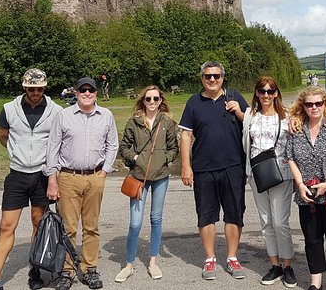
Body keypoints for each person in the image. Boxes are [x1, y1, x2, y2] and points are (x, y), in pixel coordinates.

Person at [0, 68, 63, 290]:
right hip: (18, 175)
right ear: (24, 87)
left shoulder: (56, 111)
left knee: (37, 224)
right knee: (6, 226)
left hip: (42, 176)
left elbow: (59, 142)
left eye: (40, 89)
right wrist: (20, 153)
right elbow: (3, 138)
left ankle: (36, 269)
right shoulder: (9, 109)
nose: (36, 93)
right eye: (32, 89)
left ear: (45, 88)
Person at [45, 77, 119, 290]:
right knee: (68, 227)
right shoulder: (64, 115)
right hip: (68, 177)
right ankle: (67, 270)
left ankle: (89, 268)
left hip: (95, 176)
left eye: (91, 90)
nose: (87, 93)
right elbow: (53, 147)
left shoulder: (106, 115)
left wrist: (105, 170)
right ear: (76, 93)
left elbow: (112, 145)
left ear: (96, 93)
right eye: (83, 90)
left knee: (91, 226)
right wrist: (52, 178)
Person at [179, 61, 249, 280]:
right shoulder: (193, 102)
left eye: (216, 76)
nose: (212, 80)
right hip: (203, 168)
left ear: (223, 77)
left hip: (233, 166)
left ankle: (232, 258)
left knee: (234, 213)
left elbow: (254, 125)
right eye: (208, 76)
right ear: (202, 78)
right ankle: (210, 259)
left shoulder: (235, 97)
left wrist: (239, 112)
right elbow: (185, 135)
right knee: (206, 215)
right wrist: (185, 166)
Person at [285, 85, 326, 290]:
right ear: (303, 106)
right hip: (307, 194)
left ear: (325, 104)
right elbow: (290, 158)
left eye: (318, 103)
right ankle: (316, 281)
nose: (314, 108)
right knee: (312, 239)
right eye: (309, 104)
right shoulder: (296, 127)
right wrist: (300, 185)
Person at [115, 86, 179, 282]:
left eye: (155, 99)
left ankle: (153, 262)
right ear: (143, 100)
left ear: (161, 101)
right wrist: (134, 158)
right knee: (135, 223)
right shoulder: (134, 122)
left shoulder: (167, 122)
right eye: (148, 99)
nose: (152, 102)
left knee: (156, 218)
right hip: (138, 177)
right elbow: (124, 146)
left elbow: (173, 147)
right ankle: (129, 264)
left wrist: (165, 159)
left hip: (160, 176)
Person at [242, 77, 297, 287]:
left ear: (276, 93)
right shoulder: (250, 115)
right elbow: (246, 141)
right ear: (256, 93)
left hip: (282, 174)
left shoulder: (287, 116)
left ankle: (288, 266)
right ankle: (275, 265)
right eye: (262, 91)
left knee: (280, 222)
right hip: (257, 174)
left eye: (270, 91)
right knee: (265, 222)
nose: (266, 95)